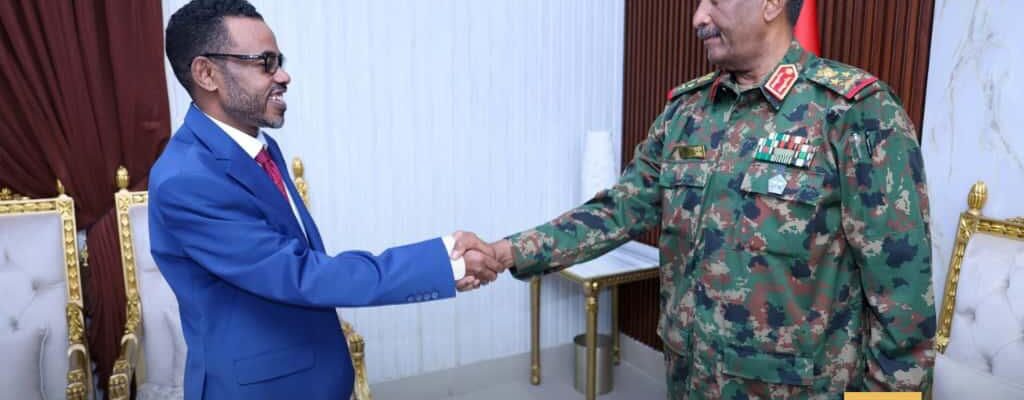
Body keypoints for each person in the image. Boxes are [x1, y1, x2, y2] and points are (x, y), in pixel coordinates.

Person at [481, 0, 935, 397]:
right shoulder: (686, 112)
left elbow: (903, 301)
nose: (698, 17)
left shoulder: (855, 112)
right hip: (689, 380)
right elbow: (617, 209)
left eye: (715, 1)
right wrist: (506, 252)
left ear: (772, 4)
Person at [150, 1, 499, 398]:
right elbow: (299, 275)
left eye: (279, 61)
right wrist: (444, 261)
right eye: (265, 63)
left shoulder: (258, 147)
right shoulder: (186, 179)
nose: (284, 75)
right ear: (206, 73)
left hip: (314, 373)